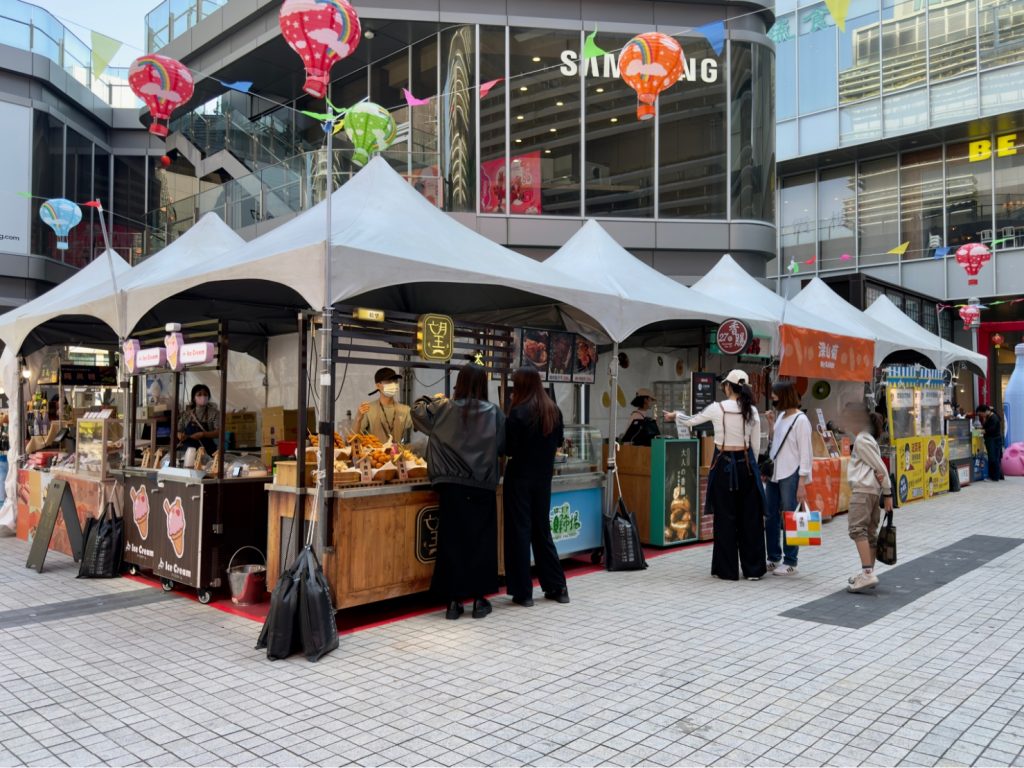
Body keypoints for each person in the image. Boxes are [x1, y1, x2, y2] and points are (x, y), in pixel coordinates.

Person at [411, 363, 505, 620]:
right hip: (482, 485)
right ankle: (479, 601)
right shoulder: (494, 413)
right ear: (483, 385)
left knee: (452, 542)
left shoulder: (444, 408)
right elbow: (502, 446)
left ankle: (453, 603)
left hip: (450, 485)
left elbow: (416, 411)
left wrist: (434, 398)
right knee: (482, 542)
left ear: (459, 383)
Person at [679, 370, 766, 581]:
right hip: (746, 466)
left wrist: (676, 416)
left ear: (728, 386)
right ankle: (753, 570)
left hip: (723, 466)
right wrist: (751, 468)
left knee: (725, 518)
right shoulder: (752, 410)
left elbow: (691, 421)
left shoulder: (717, 408)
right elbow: (755, 446)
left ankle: (726, 570)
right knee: (750, 519)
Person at [503, 366, 569, 607]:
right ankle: (557, 587)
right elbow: (559, 442)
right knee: (542, 530)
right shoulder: (553, 410)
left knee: (519, 532)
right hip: (543, 479)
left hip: (519, 477)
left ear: (521, 385)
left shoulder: (518, 412)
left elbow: (508, 448)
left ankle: (523, 592)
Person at [762, 381, 813, 577]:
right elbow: (775, 442)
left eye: (775, 397)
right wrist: (771, 423)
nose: (773, 400)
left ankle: (791, 561)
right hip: (775, 473)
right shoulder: (782, 417)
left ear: (784, 396)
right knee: (770, 515)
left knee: (791, 516)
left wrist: (802, 482)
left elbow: (806, 453)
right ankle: (773, 557)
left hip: (791, 472)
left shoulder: (801, 420)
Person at [843, 404, 893, 593]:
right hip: (871, 491)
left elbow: (881, 468)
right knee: (869, 533)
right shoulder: (868, 439)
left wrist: (888, 493)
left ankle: (867, 574)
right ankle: (867, 573)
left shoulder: (862, 440)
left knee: (857, 530)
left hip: (863, 491)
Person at [357, 367, 413, 443]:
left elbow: (420, 426)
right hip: (374, 450)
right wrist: (358, 419)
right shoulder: (368, 409)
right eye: (388, 381)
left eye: (395, 381)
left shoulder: (405, 410)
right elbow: (354, 437)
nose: (393, 384)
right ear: (378, 386)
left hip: (397, 450)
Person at [177, 384, 219, 454]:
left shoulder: (215, 413)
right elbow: (177, 430)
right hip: (188, 452)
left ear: (208, 397)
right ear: (194, 398)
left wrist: (203, 434)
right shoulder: (187, 414)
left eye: (205, 394)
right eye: (199, 394)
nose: (203, 397)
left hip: (207, 451)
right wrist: (179, 434)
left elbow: (219, 432)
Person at [977, 404, 1005, 481]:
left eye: (981, 414)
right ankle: (998, 475)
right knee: (995, 457)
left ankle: (995, 477)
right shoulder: (989, 417)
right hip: (992, 440)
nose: (981, 416)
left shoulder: (993, 418)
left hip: (994, 440)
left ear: (985, 411)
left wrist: (983, 431)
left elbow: (992, 429)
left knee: (994, 458)